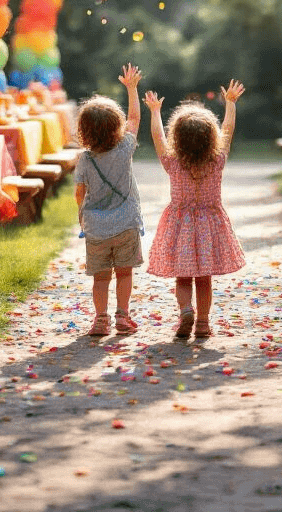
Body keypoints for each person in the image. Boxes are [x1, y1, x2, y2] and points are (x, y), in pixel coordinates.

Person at [143, 80, 246, 340]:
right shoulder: (217, 160)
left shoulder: (172, 162)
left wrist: (155, 112)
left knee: (183, 276)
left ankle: (185, 310)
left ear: (176, 137)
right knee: (204, 278)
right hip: (209, 226)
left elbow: (157, 136)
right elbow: (229, 129)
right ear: (212, 137)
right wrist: (231, 104)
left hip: (180, 227)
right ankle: (202, 322)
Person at [74, 63, 145, 337]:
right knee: (124, 274)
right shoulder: (125, 148)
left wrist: (82, 215)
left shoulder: (85, 159)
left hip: (97, 229)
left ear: (84, 131)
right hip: (125, 224)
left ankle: (100, 319)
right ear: (117, 126)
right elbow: (136, 119)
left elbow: (79, 192)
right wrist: (132, 88)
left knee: (101, 277)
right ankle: (123, 317)